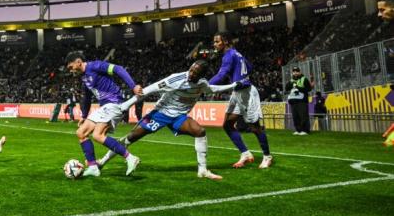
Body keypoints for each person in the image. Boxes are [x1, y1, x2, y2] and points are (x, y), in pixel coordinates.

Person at [97, 60, 245, 180]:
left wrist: (233, 85)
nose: (191, 73)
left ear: (201, 76)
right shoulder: (176, 79)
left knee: (200, 131)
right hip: (160, 114)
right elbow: (150, 89)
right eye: (191, 69)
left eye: (195, 72)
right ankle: (102, 162)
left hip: (178, 117)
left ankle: (203, 170)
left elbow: (212, 89)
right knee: (131, 137)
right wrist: (125, 106)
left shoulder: (202, 83)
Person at [64, 51, 143, 177]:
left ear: (78, 62)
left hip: (114, 103)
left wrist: (133, 86)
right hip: (105, 107)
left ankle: (130, 158)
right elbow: (86, 97)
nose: (70, 70)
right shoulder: (84, 77)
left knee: (97, 135)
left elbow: (118, 69)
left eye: (70, 67)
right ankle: (93, 167)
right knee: (81, 132)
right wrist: (84, 116)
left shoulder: (95, 66)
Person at [210, 33, 273, 169]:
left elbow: (221, 75)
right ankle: (245, 153)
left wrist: (206, 86)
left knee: (255, 127)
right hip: (237, 91)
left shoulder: (228, 56)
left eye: (217, 41)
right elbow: (249, 67)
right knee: (227, 124)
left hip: (247, 93)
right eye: (214, 42)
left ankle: (267, 156)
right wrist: (239, 76)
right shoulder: (236, 53)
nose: (214, 44)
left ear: (225, 42)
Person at [288, 66, 312, 135]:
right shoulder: (292, 80)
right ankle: (298, 130)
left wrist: (298, 87)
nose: (295, 73)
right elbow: (287, 88)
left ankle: (305, 130)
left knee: (303, 116)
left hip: (302, 101)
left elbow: (309, 89)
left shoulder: (304, 79)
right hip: (293, 101)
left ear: (300, 72)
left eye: (297, 71)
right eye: (294, 71)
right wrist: (291, 84)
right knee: (295, 116)